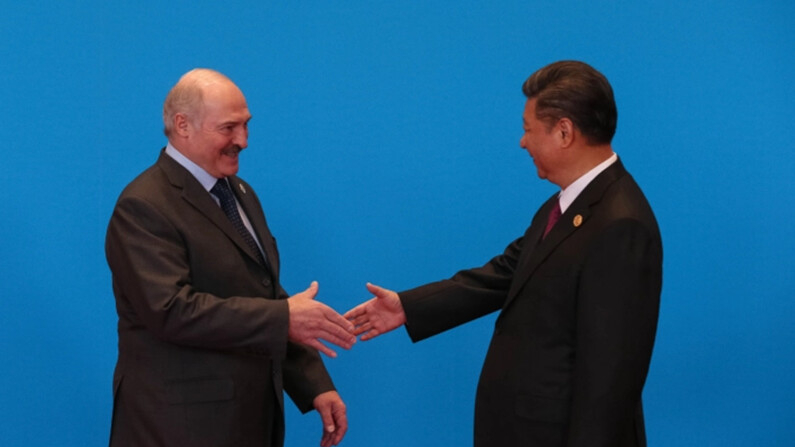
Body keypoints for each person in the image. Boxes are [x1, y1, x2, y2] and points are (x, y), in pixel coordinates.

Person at [345, 60, 662, 447]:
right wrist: (408, 307)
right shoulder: (562, 207)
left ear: (564, 131)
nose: (522, 142)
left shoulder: (619, 224)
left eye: (529, 130)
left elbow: (610, 382)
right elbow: (505, 274)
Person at [105, 68, 355, 447]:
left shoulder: (239, 192)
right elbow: (171, 310)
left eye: (246, 125)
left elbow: (263, 294)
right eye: (228, 128)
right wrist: (285, 317)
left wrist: (314, 385)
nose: (244, 140)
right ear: (183, 125)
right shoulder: (143, 204)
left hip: (248, 422)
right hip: (180, 428)